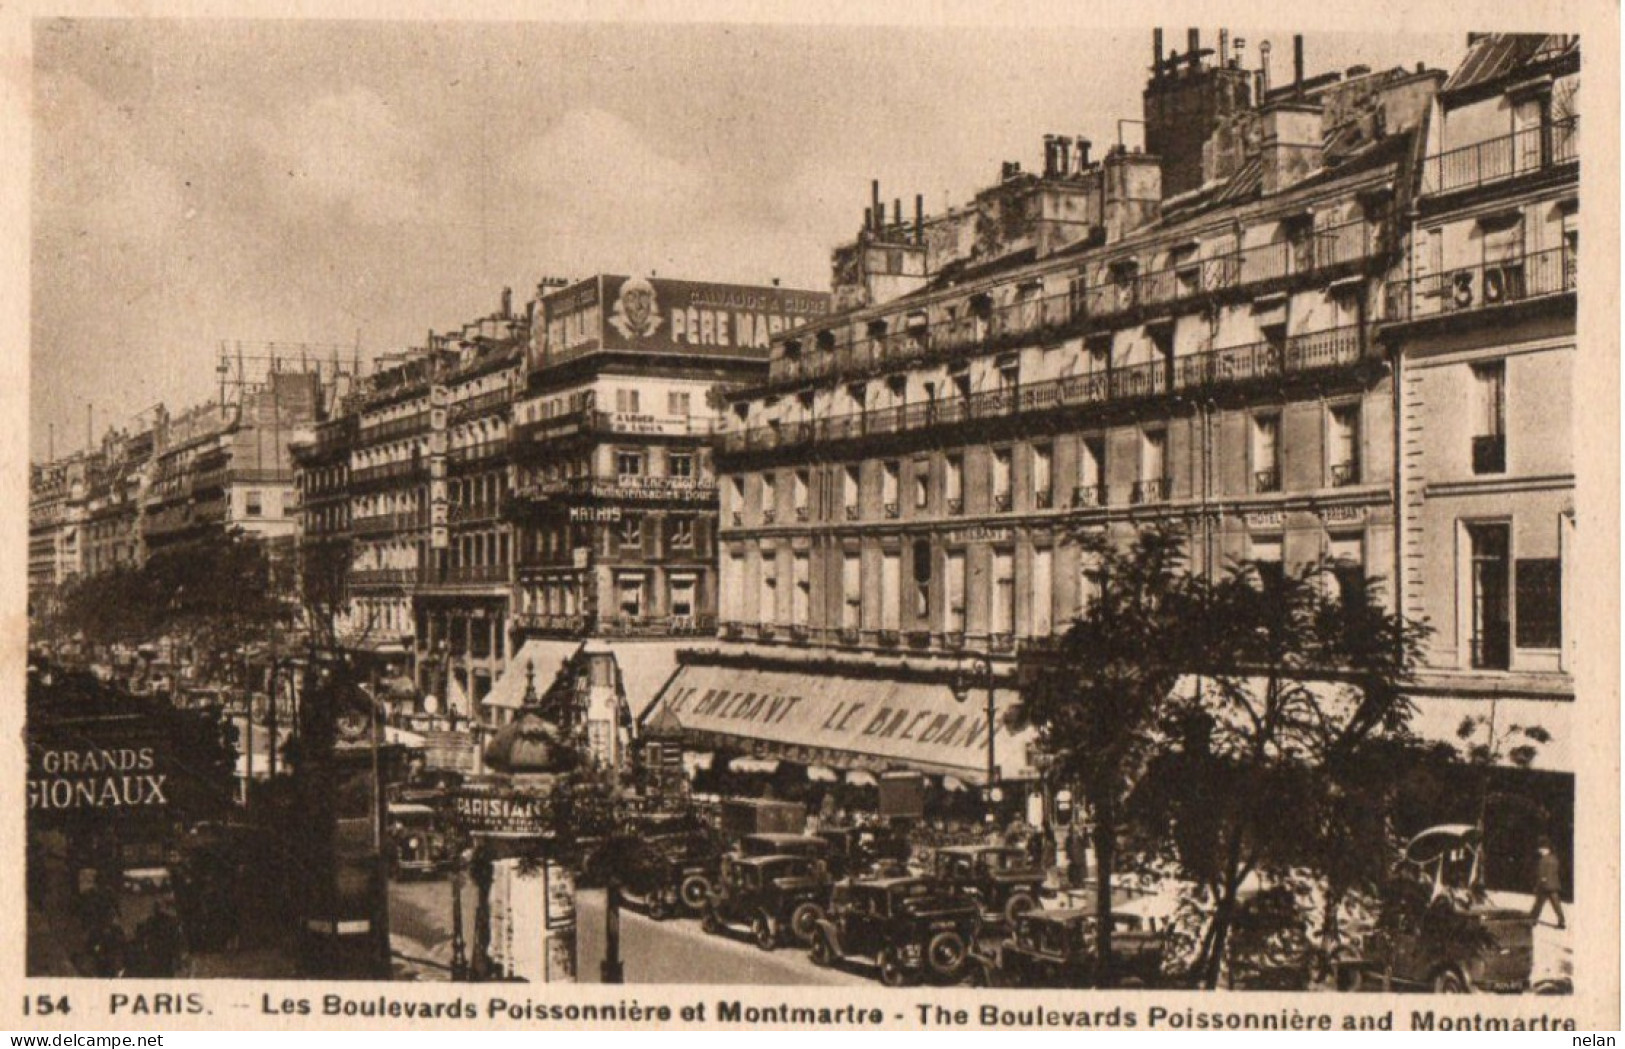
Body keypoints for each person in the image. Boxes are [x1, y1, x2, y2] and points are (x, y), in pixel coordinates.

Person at [1530, 837, 1566, 929]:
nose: (1539, 851)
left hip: (1544, 886)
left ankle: (1532, 920)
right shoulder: (1554, 858)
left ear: (1545, 849)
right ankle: (1562, 922)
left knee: (1538, 904)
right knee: (1556, 905)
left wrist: (1537, 886)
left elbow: (1541, 875)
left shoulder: (1543, 860)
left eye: (1540, 849)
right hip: (1554, 885)